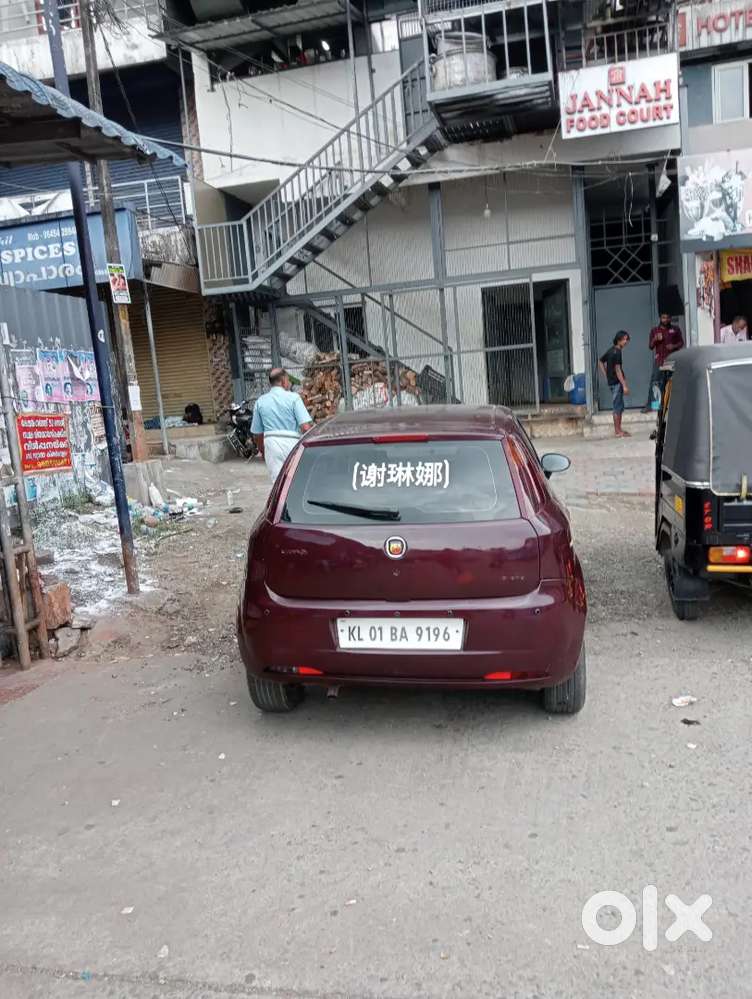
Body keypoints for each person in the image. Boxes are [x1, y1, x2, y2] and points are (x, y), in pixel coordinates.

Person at [251, 368, 313, 481]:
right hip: (292, 443)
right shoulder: (294, 398)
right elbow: (306, 427)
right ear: (283, 381)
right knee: (295, 481)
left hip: (271, 444)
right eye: (288, 380)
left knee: (278, 484)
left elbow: (257, 434)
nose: (289, 383)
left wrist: (263, 451)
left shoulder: (260, 401)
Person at [643, 312, 684, 412]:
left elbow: (681, 343)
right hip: (659, 361)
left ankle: (672, 406)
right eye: (663, 318)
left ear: (670, 318)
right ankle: (653, 406)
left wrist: (673, 346)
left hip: (672, 360)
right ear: (660, 318)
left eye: (667, 317)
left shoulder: (675, 329)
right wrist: (655, 339)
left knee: (672, 382)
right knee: (656, 383)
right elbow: (650, 346)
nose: (665, 320)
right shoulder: (655, 330)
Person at [599, 331, 631, 438]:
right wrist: (624, 385)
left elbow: (600, 361)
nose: (626, 342)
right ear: (619, 340)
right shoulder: (617, 352)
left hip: (612, 382)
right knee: (617, 407)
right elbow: (618, 370)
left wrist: (606, 375)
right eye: (624, 339)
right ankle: (618, 431)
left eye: (627, 339)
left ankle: (619, 429)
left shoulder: (611, 350)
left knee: (619, 406)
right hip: (617, 383)